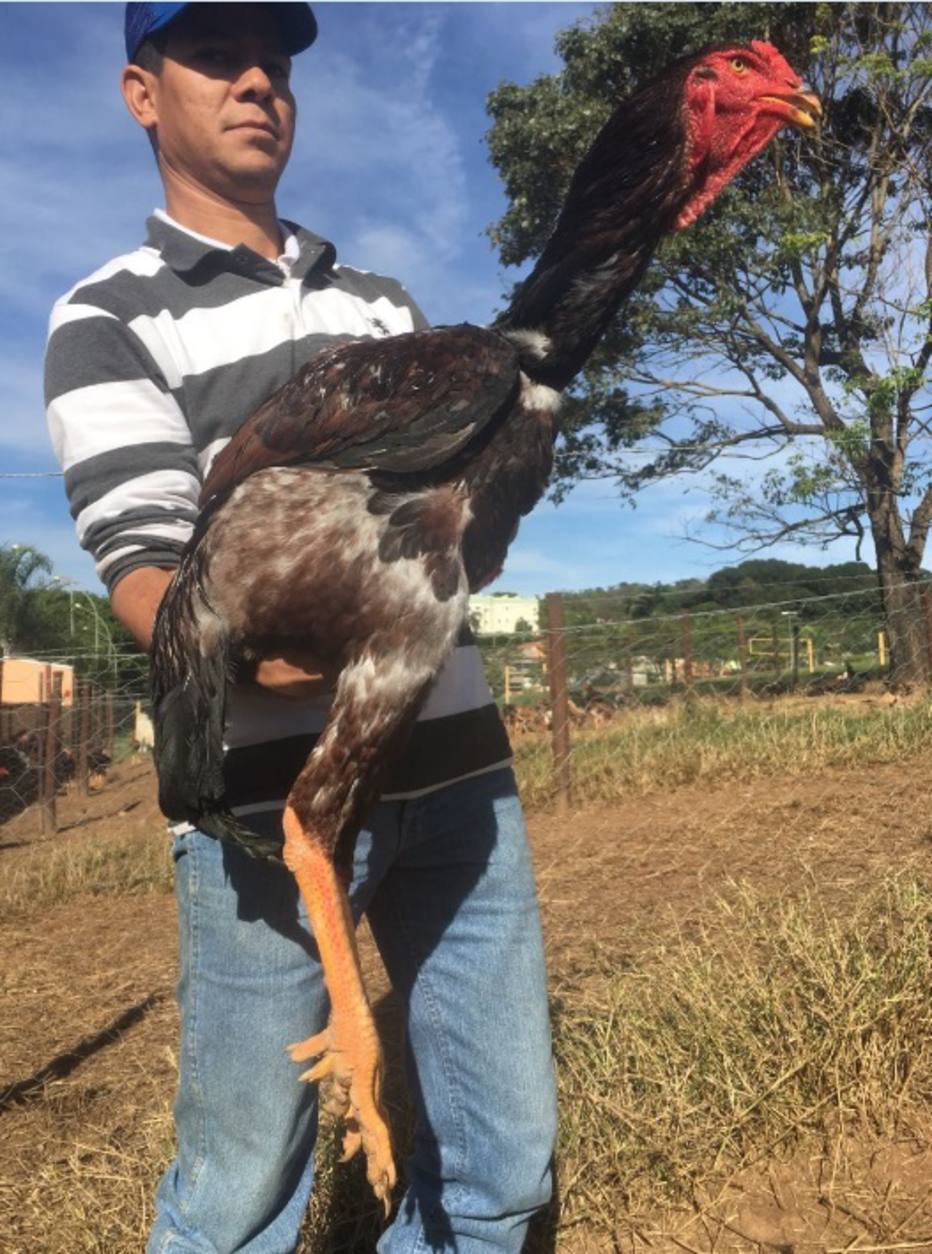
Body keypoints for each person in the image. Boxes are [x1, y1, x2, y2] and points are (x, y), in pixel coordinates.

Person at [44, 5, 557, 1251]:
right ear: (139, 93)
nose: (257, 80)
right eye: (215, 55)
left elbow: (450, 516)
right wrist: (261, 653)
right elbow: (144, 564)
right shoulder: (107, 317)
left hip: (457, 776)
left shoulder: (386, 305)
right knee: (239, 1195)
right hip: (266, 806)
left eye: (273, 60)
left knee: (502, 1163)